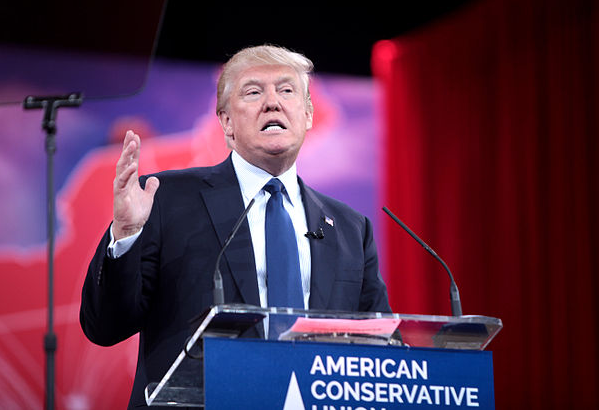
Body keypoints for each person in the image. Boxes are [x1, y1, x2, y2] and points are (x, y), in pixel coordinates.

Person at [80, 44, 391, 408]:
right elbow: (104, 326)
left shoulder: (350, 228)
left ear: (307, 114)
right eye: (254, 91)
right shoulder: (165, 199)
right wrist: (127, 234)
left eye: (287, 90)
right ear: (226, 122)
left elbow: (379, 347)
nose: (272, 103)